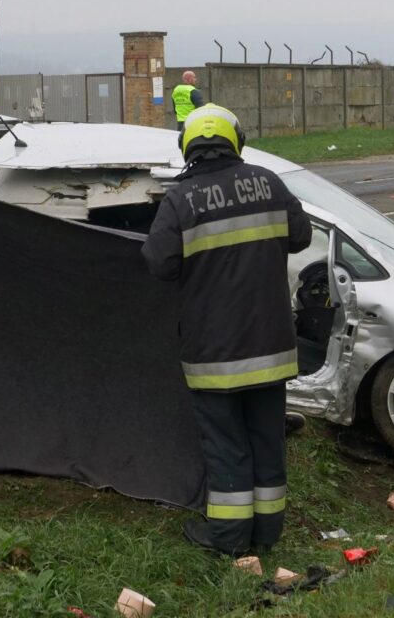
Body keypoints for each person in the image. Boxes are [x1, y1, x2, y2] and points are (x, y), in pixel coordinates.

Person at [142, 103, 311, 556]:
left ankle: (229, 539)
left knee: (226, 445)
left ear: (188, 147)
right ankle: (266, 534)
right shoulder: (270, 183)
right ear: (237, 141)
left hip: (214, 352)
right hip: (272, 345)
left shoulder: (180, 200)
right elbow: (301, 236)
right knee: (266, 440)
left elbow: (158, 263)